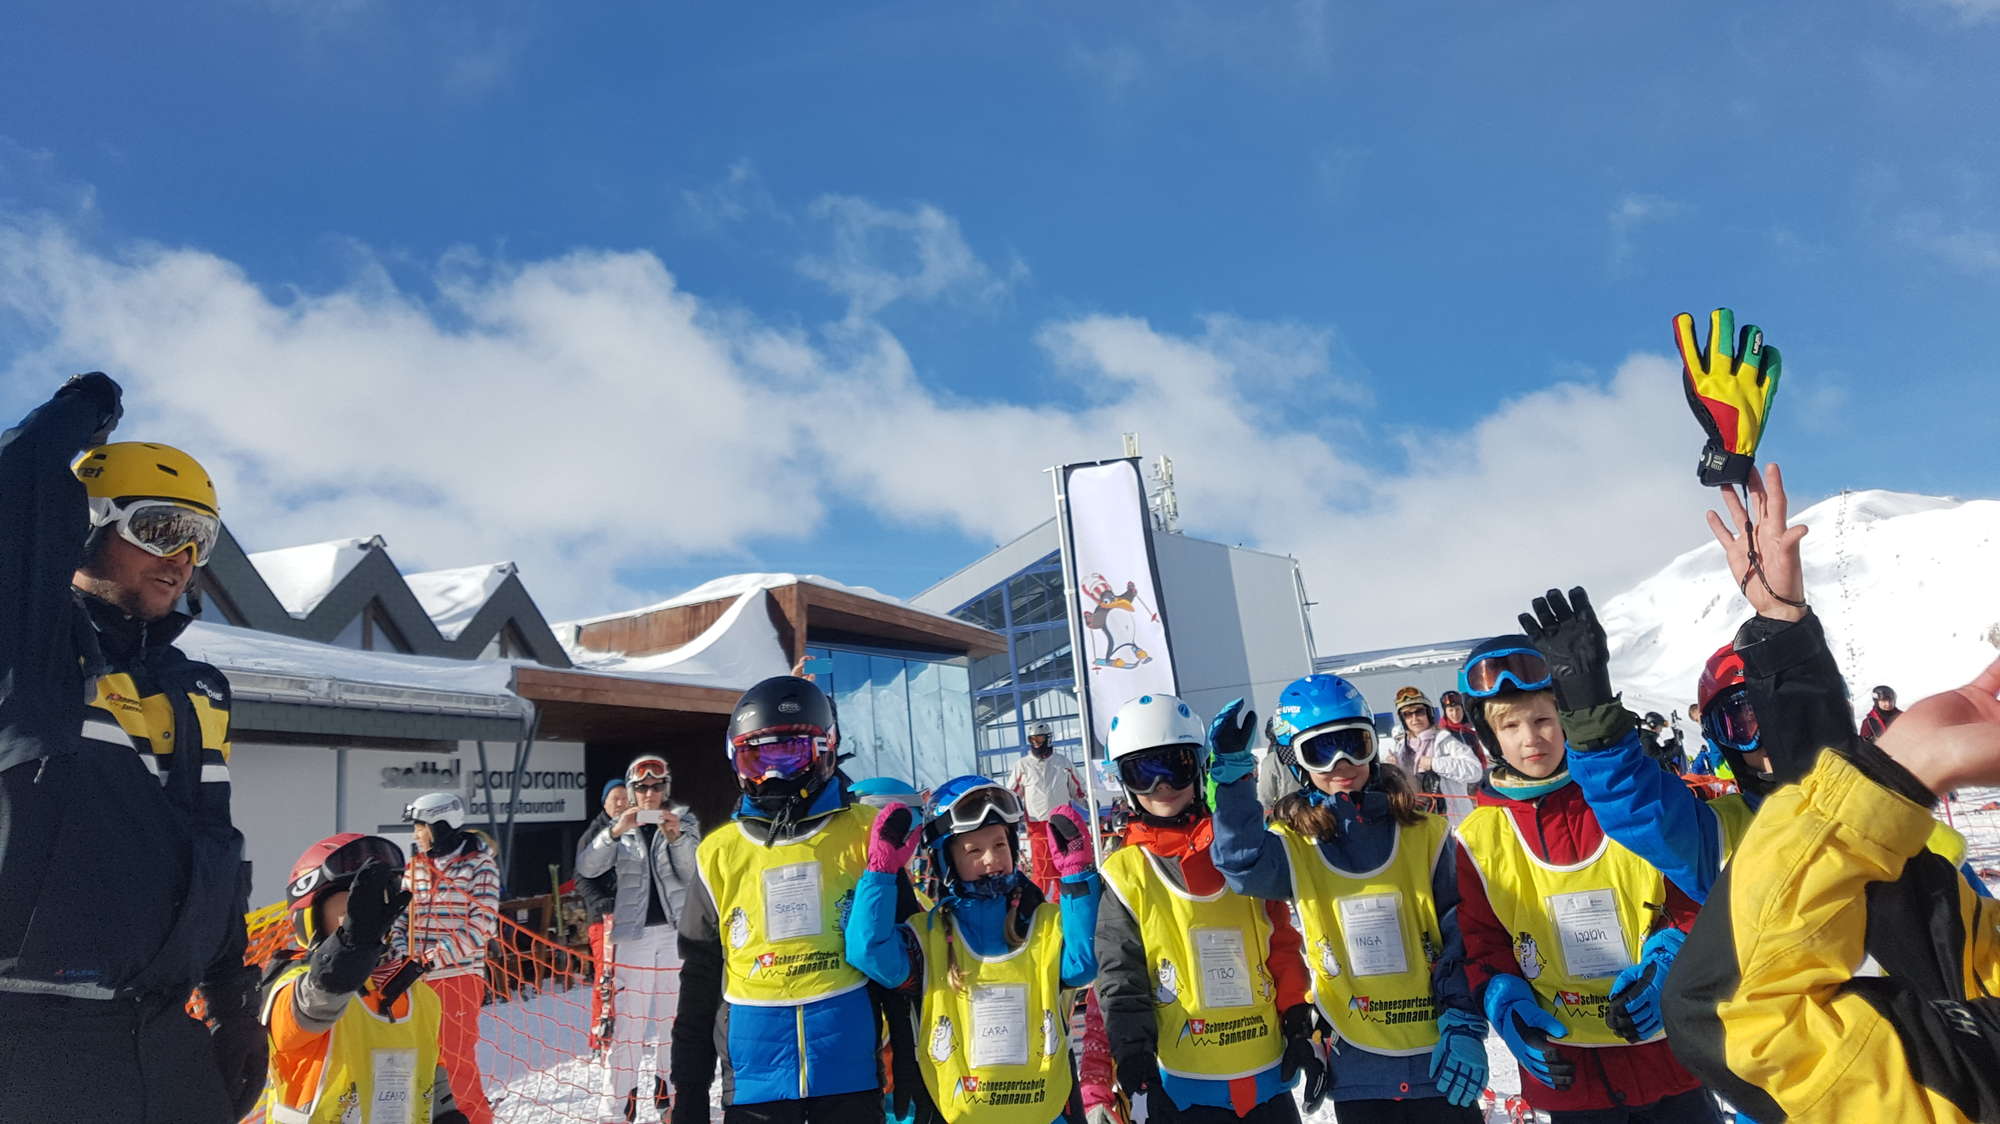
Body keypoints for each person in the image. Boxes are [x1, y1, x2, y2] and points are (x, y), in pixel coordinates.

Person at [0, 373, 262, 1123]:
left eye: (200, 538)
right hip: (30, 1038)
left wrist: (233, 1004)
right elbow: (16, 491)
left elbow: (215, 851)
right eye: (159, 528)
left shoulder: (200, 689)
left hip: (163, 1034)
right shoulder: (33, 650)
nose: (182, 555)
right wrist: (78, 413)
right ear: (89, 527)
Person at [1663, 655, 2000, 1122]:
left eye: (1773, 717)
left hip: (1863, 1058)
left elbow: (1970, 948)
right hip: (1802, 1077)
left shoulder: (1905, 830)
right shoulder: (1722, 825)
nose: (1765, 740)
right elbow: (1641, 810)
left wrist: (1882, 780)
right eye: (1742, 724)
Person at [1450, 637, 1719, 1123]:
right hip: (1570, 1073)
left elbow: (1693, 895)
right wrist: (1503, 997)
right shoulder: (1479, 839)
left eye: (1543, 719)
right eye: (1510, 726)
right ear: (1490, 738)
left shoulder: (1629, 805)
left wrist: (1671, 958)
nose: (1530, 739)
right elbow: (1482, 939)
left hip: (1668, 1056)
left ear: (1566, 719)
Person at [1210, 675, 1488, 1122]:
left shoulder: (1426, 835)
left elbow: (1460, 929)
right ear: (1296, 762)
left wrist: (1463, 1019)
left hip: (1438, 1054)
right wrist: (1233, 780)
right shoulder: (1294, 846)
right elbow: (1240, 864)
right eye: (1320, 750)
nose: (1341, 763)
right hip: (1358, 1062)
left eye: (1354, 744)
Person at [671, 675, 920, 1124]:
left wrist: (910, 1057)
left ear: (825, 749)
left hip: (848, 1071)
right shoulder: (719, 854)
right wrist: (689, 1089)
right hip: (754, 1081)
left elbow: (904, 955)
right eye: (755, 759)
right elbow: (700, 979)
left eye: (789, 755)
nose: (772, 775)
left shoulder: (866, 834)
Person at [1095, 692, 1317, 1124]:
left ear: (1197, 769)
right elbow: (1121, 978)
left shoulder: (1241, 858)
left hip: (1266, 1077)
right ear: (1125, 783)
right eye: (1143, 774)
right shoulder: (1126, 874)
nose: (1162, 786)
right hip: (1185, 1087)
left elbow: (1281, 945)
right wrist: (1136, 1063)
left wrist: (1297, 1020)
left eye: (1174, 768)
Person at [846, 777, 1102, 1123]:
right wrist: (881, 872)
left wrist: (1076, 875)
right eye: (974, 851)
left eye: (999, 844)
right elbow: (867, 951)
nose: (991, 859)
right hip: (962, 1112)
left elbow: (1084, 963)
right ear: (946, 860)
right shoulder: (929, 938)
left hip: (1044, 1112)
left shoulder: (1043, 923)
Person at [263, 832, 467, 1123]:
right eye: (352, 907)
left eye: (376, 903)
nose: (366, 916)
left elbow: (431, 1077)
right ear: (311, 915)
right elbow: (314, 1006)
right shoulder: (291, 989)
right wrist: (349, 949)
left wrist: (446, 1116)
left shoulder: (420, 997)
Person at [577, 755, 700, 1123]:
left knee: (673, 1021)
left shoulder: (683, 820)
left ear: (666, 789)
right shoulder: (619, 825)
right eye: (642, 787)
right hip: (633, 936)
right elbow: (587, 867)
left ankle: (670, 1098)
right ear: (632, 791)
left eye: (656, 786)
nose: (650, 794)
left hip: (675, 933)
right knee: (629, 1024)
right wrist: (616, 831)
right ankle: (617, 1107)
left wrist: (676, 838)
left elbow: (693, 872)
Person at [396, 791, 502, 1124]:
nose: (416, 834)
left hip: (456, 977)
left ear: (440, 825)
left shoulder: (479, 864)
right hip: (414, 978)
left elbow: (483, 923)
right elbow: (401, 916)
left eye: (420, 826)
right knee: (417, 1058)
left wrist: (434, 957)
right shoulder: (416, 866)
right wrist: (400, 952)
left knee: (455, 1061)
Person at [581, 779, 631, 1056]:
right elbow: (581, 876)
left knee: (630, 977)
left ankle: (626, 1029)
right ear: (604, 803)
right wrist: (600, 902)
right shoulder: (594, 834)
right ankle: (599, 1036)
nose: (621, 803)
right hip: (605, 919)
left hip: (631, 915)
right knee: (606, 977)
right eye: (615, 799)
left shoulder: (634, 831)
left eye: (625, 798)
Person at [1009, 722, 1086, 897]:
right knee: (1042, 867)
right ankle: (1037, 902)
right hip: (1037, 824)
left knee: (1064, 864)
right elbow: (1012, 794)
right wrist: (1008, 814)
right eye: (1032, 740)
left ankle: (1064, 900)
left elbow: (1077, 789)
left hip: (1062, 822)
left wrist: (1089, 803)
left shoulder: (1062, 762)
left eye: (1039, 739)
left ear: (1048, 739)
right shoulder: (1023, 765)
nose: (1036, 744)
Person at [1390, 686, 1484, 823]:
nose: (1414, 718)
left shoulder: (1445, 741)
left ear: (1429, 713)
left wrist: (1434, 763)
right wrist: (1393, 770)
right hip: (1418, 821)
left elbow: (1475, 770)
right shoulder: (1401, 748)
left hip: (1452, 821)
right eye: (1407, 714)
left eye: (1419, 712)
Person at [1437, 690, 1487, 765]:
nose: (1455, 714)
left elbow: (1481, 759)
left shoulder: (1470, 733)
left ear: (1462, 710)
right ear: (1445, 712)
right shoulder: (1441, 735)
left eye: (1457, 709)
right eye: (1450, 710)